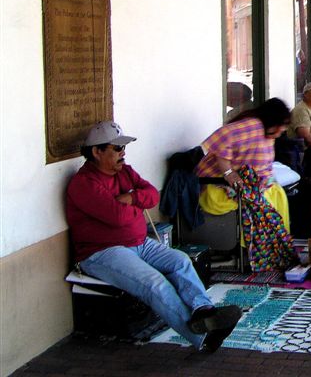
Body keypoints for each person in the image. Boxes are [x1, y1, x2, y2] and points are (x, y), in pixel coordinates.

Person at [66, 121, 242, 353]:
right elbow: (117, 218)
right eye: (117, 149)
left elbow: (151, 196)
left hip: (140, 243)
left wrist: (130, 198)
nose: (123, 153)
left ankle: (204, 312)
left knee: (180, 261)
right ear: (97, 152)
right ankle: (204, 336)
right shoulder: (84, 183)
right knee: (154, 284)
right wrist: (135, 204)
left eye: (124, 148)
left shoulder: (125, 171)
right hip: (103, 251)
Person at [195, 98, 296, 271]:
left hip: (252, 185)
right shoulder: (251, 126)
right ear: (273, 120)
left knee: (277, 194)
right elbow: (223, 139)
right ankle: (254, 254)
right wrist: (228, 172)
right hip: (217, 187)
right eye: (282, 125)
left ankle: (274, 252)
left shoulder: (266, 132)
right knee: (261, 204)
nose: (283, 130)